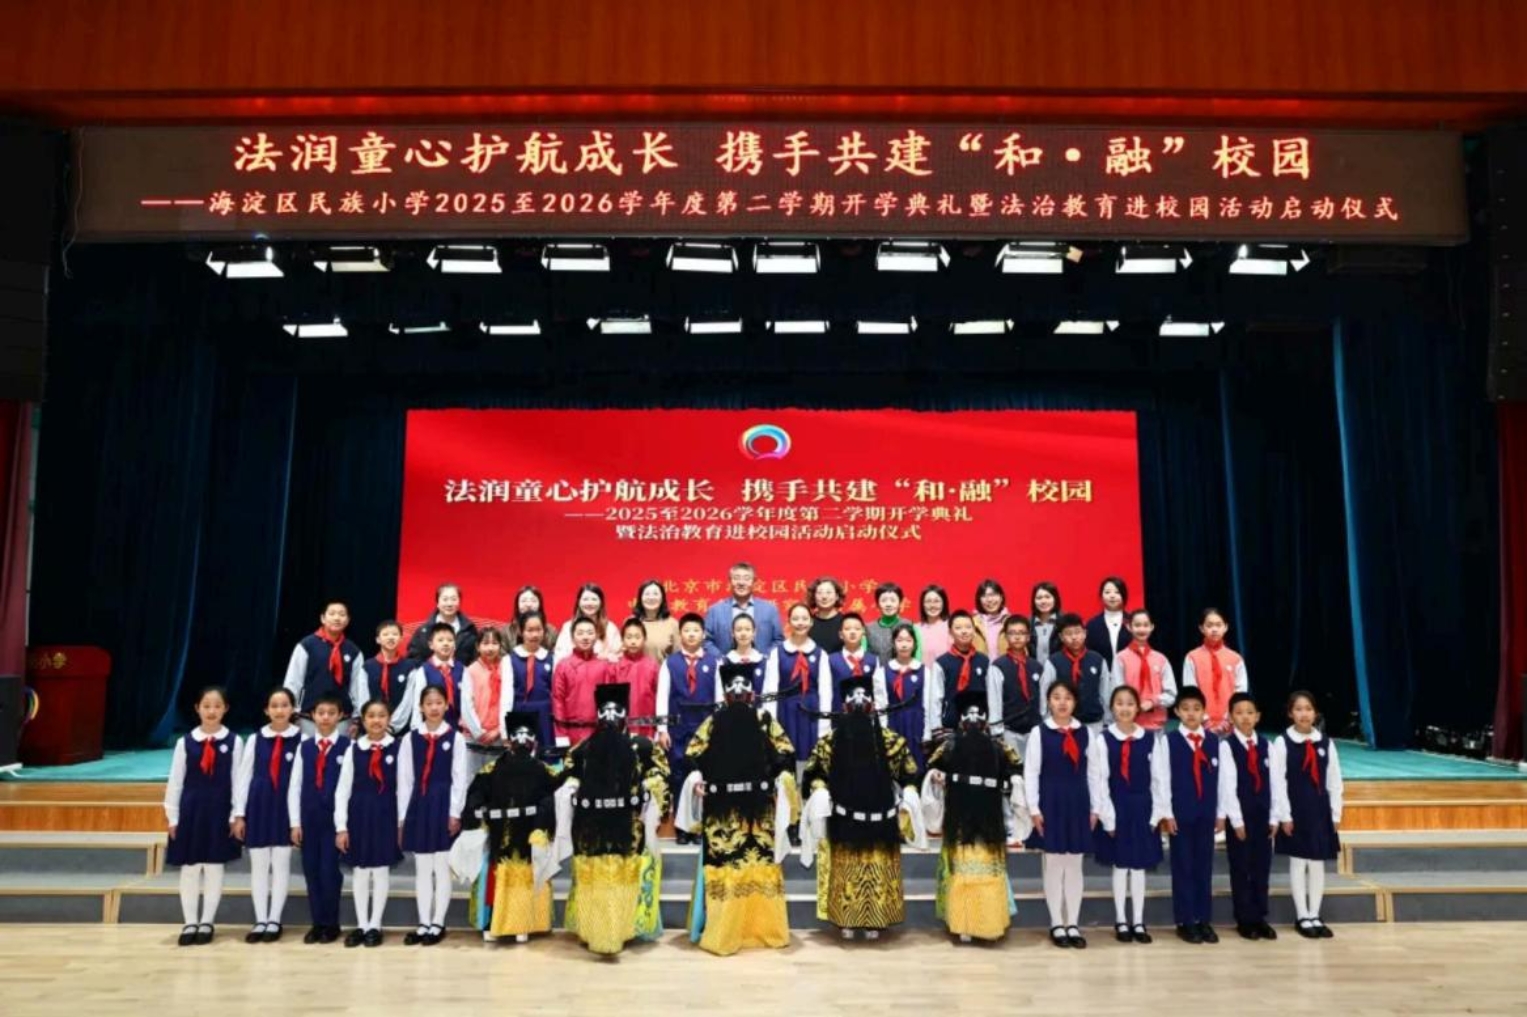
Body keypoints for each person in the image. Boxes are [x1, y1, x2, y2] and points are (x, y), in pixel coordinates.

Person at [676, 662, 797, 956]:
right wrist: (696, 776)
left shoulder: (764, 719)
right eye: (733, 687)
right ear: (726, 694)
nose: (739, 691)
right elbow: (691, 755)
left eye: (744, 686)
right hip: (722, 813)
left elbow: (786, 752)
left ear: (752, 692)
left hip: (759, 811)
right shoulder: (713, 722)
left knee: (759, 867)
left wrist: (781, 776)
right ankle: (725, 931)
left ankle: (762, 929)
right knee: (726, 869)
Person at [800, 675, 923, 940]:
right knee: (848, 872)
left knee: (877, 872)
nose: (859, 701)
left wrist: (911, 789)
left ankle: (876, 922)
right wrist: (819, 788)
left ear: (873, 704)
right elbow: (813, 773)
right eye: (852, 697)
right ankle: (845, 920)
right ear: (844, 705)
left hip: (881, 821)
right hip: (845, 822)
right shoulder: (829, 741)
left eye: (865, 696)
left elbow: (909, 772)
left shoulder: (891, 741)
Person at [556, 683, 671, 955]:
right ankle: (593, 927)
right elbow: (568, 775)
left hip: (629, 824)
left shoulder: (643, 746)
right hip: (592, 826)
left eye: (616, 710)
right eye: (604, 711)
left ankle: (627, 927)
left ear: (625, 714)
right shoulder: (583, 748)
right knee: (595, 874)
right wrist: (571, 787)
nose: (610, 716)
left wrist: (649, 789)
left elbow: (661, 774)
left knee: (625, 873)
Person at [922, 688, 1026, 943]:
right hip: (960, 816)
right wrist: (935, 776)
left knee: (987, 873)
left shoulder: (998, 747)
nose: (973, 719)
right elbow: (931, 765)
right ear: (960, 720)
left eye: (979, 714)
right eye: (968, 714)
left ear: (986, 719)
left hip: (989, 818)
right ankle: (963, 924)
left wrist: (1013, 779)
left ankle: (988, 924)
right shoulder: (949, 746)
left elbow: (1016, 766)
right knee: (963, 874)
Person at [1154, 686, 1243, 944]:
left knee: (1204, 867)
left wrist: (1222, 813)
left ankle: (1203, 919)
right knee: (1183, 866)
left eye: (1196, 709)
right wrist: (1166, 813)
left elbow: (1224, 782)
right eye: (1186, 709)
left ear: (1204, 712)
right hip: (1181, 814)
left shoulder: (1215, 742)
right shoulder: (1168, 742)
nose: (1191, 714)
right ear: (1177, 712)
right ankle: (1185, 920)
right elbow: (1162, 779)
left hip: (1206, 813)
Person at [460, 710, 558, 943]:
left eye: (527, 735)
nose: (522, 740)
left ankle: (524, 922)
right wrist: (477, 814)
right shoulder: (491, 770)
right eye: (517, 735)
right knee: (495, 874)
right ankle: (492, 921)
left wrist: (541, 827)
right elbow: (475, 796)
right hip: (498, 837)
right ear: (509, 740)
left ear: (534, 741)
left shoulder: (543, 771)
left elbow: (549, 800)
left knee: (526, 873)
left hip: (529, 838)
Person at [1024, 679, 1103, 949]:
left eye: (1068, 697)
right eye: (1056, 697)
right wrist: (1034, 808)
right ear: (1048, 701)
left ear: (1075, 702)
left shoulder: (1086, 734)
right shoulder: (1039, 733)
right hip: (1051, 802)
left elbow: (1094, 773)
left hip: (1078, 802)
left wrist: (1096, 808)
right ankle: (1057, 923)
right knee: (1055, 863)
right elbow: (1031, 772)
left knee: (1074, 865)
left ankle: (1074, 923)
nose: (1062, 702)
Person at [164, 686, 242, 946]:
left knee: (214, 867)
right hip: (191, 811)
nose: (211, 711)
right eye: (206, 706)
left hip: (219, 811)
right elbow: (176, 782)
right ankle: (190, 922)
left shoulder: (234, 741)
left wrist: (236, 814)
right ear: (197, 708)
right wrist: (173, 817)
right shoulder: (185, 742)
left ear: (225, 709)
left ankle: (207, 921)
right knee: (190, 868)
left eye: (217, 706)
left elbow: (238, 781)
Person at [1091, 685, 1165, 945]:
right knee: (1121, 865)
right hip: (1117, 806)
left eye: (1130, 703)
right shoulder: (1103, 739)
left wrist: (1157, 814)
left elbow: (1159, 779)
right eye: (1119, 703)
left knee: (1139, 866)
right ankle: (1121, 919)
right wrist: (1107, 817)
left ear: (1138, 708)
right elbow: (1100, 780)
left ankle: (1139, 920)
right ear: (1112, 707)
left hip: (1142, 807)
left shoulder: (1150, 739)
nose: (1125, 708)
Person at [397, 684, 471, 946]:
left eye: (439, 702)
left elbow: (460, 779)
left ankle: (438, 922)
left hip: (442, 804)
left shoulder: (455, 738)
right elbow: (405, 779)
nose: (434, 707)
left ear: (447, 705)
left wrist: (454, 812)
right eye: (429, 703)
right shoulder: (410, 739)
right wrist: (403, 817)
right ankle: (423, 922)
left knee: (441, 867)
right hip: (419, 804)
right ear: (421, 707)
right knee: (422, 868)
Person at [231, 686, 302, 943]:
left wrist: (296, 820)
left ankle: (274, 919)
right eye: (274, 706)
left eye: (284, 705)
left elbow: (300, 783)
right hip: (259, 806)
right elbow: (243, 778)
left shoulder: (302, 740)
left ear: (293, 709)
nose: (279, 710)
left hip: (285, 807)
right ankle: (260, 919)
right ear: (266, 710)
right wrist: (239, 814)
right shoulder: (255, 739)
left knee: (281, 864)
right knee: (259, 866)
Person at [1272, 690, 1344, 940]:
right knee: (1298, 861)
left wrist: (1335, 813)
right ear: (1290, 713)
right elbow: (1278, 781)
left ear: (1315, 713)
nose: (1304, 714)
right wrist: (1284, 815)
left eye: (1308, 709)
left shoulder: (1325, 742)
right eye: (1299, 709)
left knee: (1317, 863)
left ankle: (1315, 913)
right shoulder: (1283, 742)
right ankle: (1302, 915)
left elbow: (1334, 780)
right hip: (1296, 810)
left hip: (1320, 811)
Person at [335, 699, 403, 948]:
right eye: (371, 716)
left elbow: (404, 787)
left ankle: (376, 924)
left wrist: (401, 823)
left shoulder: (398, 749)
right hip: (359, 815)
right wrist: (341, 826)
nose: (376, 720)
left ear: (389, 719)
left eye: (381, 715)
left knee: (381, 870)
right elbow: (342, 790)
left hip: (386, 814)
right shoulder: (354, 749)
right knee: (361, 871)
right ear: (363, 721)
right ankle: (362, 924)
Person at [657, 612, 721, 845]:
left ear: (703, 634)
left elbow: (720, 698)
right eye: (687, 630)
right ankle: (681, 827)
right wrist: (662, 729)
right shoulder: (670, 663)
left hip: (704, 728)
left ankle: (699, 825)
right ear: (680, 634)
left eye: (696, 630)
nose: (691, 634)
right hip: (678, 728)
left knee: (702, 776)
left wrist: (717, 729)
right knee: (679, 776)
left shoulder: (714, 663)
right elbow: (662, 696)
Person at [294, 692, 348, 945]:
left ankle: (331, 923)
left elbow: (348, 788)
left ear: (340, 716)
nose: (326, 717)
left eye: (331, 713)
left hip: (333, 821)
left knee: (329, 872)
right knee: (312, 871)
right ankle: (317, 923)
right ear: (312, 716)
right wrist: (295, 822)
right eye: (321, 713)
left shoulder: (347, 747)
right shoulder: (304, 748)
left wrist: (343, 825)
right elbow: (295, 787)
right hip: (309, 819)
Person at [1225, 691, 1277, 941]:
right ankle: (1244, 918)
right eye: (1239, 713)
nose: (1245, 717)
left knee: (1261, 866)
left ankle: (1260, 916)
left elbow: (1276, 784)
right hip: (1241, 818)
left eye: (1249, 713)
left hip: (1263, 815)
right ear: (1230, 717)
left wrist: (1275, 817)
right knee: (1241, 867)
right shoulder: (1227, 746)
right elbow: (1228, 786)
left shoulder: (1267, 746)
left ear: (1258, 716)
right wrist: (1236, 820)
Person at [283, 601, 368, 727]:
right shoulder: (306, 645)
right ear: (322, 618)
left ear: (347, 620)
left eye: (342, 614)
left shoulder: (354, 651)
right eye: (332, 614)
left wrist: (357, 718)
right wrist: (290, 711)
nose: (337, 618)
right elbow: (293, 680)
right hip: (307, 717)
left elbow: (358, 688)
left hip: (342, 718)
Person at [763, 602, 827, 765]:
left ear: (811, 622)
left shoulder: (820, 654)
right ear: (789, 622)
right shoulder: (777, 653)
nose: (800, 623)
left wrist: (824, 724)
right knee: (786, 758)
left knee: (810, 758)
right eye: (796, 618)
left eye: (805, 619)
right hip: (785, 711)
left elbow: (826, 692)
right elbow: (770, 691)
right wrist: (771, 724)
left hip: (811, 712)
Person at [1181, 607, 1250, 736]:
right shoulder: (1192, 657)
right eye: (1209, 625)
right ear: (1201, 628)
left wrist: (1228, 719)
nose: (1214, 629)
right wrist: (1205, 720)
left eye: (1218, 625)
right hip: (1200, 725)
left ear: (1226, 627)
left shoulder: (1236, 659)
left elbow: (1241, 692)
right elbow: (1190, 691)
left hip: (1230, 725)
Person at [929, 610, 998, 738]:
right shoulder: (941, 663)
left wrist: (994, 724)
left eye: (968, 627)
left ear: (974, 630)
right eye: (958, 628)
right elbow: (935, 699)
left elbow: (992, 696)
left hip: (981, 726)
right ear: (950, 632)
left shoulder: (984, 661)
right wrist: (936, 728)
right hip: (951, 727)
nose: (964, 631)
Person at [406, 622, 478, 736]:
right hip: (430, 730)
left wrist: (476, 731)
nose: (445, 644)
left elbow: (467, 704)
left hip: (457, 730)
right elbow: (417, 704)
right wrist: (417, 731)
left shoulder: (462, 670)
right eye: (440, 640)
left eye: (450, 640)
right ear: (431, 645)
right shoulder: (423, 671)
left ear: (455, 644)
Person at [1110, 608, 1177, 731]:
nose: (1142, 629)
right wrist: (1132, 705)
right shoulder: (1120, 658)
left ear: (1152, 627)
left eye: (1146, 625)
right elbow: (1116, 692)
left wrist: (1153, 702)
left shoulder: (1161, 659)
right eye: (1137, 625)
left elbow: (1171, 694)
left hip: (1156, 725)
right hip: (1129, 724)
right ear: (1129, 627)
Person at [553, 617, 615, 749]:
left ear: (596, 636)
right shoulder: (563, 666)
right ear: (572, 637)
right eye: (580, 633)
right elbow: (558, 701)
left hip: (600, 732)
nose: (585, 637)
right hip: (572, 733)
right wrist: (561, 735)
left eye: (590, 633)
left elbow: (610, 702)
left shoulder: (605, 666)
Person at [1041, 613, 1109, 732]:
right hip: (1062, 723)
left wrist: (1107, 721)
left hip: (1093, 722)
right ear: (1061, 637)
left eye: (1077, 632)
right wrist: (1047, 721)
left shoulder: (1098, 660)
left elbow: (1105, 692)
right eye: (1068, 634)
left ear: (1085, 633)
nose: (1073, 637)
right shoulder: (1053, 662)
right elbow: (1044, 693)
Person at [703, 561, 784, 654]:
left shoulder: (769, 610)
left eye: (746, 578)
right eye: (736, 578)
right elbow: (706, 641)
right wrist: (721, 659)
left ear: (754, 582)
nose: (741, 583)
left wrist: (764, 658)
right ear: (730, 581)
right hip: (724, 662)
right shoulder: (715, 611)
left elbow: (778, 640)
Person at [992, 614, 1043, 759]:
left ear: (1028, 637)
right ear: (1006, 637)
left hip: (1034, 728)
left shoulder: (1037, 666)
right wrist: (996, 731)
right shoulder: (998, 666)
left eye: (1021, 633)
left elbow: (1043, 701)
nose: (1017, 637)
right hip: (1009, 729)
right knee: (1012, 768)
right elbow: (994, 701)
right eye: (1012, 633)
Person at [880, 623, 930, 771]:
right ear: (893, 643)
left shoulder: (924, 671)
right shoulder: (883, 671)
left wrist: (927, 733)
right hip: (893, 723)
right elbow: (881, 706)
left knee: (917, 766)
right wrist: (883, 732)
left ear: (914, 644)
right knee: (894, 767)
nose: (904, 645)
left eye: (908, 640)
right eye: (899, 640)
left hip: (916, 724)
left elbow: (927, 704)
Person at [509, 610, 556, 754]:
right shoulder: (510, 659)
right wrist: (506, 730)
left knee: (546, 757)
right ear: (521, 631)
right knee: (522, 758)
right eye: (529, 630)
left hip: (545, 716)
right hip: (519, 714)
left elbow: (555, 693)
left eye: (538, 630)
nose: (534, 635)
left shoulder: (551, 658)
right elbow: (506, 697)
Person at [464, 627, 512, 767]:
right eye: (485, 643)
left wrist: (498, 730)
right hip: (474, 735)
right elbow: (466, 705)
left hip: (500, 735)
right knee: (473, 777)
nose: (490, 648)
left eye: (494, 643)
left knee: (498, 777)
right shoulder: (470, 671)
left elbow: (510, 702)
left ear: (500, 646)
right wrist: (479, 732)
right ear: (477, 647)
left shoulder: (507, 668)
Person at [406, 582, 481, 665]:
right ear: (437, 603)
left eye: (453, 599)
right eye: (445, 599)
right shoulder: (423, 631)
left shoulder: (469, 630)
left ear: (459, 602)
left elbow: (476, 658)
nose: (449, 604)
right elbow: (413, 659)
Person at [363, 620, 417, 734]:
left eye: (395, 634)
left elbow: (408, 701)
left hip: (399, 729)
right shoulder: (367, 666)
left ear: (401, 638)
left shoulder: (409, 667)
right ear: (378, 639)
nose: (391, 637)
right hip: (371, 728)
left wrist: (393, 726)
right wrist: (372, 721)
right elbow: (363, 697)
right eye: (386, 634)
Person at [822, 612, 880, 714]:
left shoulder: (873, 660)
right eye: (847, 629)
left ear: (863, 632)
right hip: (838, 716)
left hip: (867, 718)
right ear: (841, 634)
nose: (852, 632)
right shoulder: (830, 660)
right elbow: (825, 691)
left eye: (857, 629)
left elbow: (878, 692)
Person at [613, 618, 660, 738]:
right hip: (622, 726)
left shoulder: (653, 666)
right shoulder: (615, 666)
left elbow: (659, 698)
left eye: (637, 637)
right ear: (622, 639)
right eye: (629, 637)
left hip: (647, 725)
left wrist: (659, 728)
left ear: (644, 639)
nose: (633, 642)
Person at [554, 583, 622, 663]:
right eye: (585, 599)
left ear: (601, 602)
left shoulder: (610, 628)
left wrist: (606, 658)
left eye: (594, 599)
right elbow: (560, 656)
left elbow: (619, 656)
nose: (589, 603)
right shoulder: (568, 627)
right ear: (578, 602)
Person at [865, 582, 921, 661]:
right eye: (884, 600)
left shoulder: (910, 625)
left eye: (893, 600)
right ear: (877, 604)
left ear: (900, 603)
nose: (888, 604)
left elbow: (917, 654)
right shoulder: (868, 629)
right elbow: (864, 656)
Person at [1084, 576, 1131, 668]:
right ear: (1101, 596)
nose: (1112, 596)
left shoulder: (1133, 622)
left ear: (1124, 595)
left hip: (1130, 672)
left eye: (1117, 592)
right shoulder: (1092, 625)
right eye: (1107, 592)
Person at [632, 579, 678, 663]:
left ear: (662, 598)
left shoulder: (673, 624)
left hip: (661, 671)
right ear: (640, 598)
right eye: (647, 594)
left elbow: (679, 658)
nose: (651, 597)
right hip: (634, 671)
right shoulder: (631, 622)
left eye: (655, 594)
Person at [723, 612, 768, 696]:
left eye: (747, 629)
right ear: (732, 633)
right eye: (739, 630)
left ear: (754, 632)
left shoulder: (764, 662)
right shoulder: (725, 662)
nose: (743, 634)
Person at [807, 575, 847, 654]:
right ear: (814, 597)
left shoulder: (845, 622)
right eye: (820, 593)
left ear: (837, 596)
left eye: (829, 592)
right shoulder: (807, 622)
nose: (824, 597)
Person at [916, 584, 952, 667]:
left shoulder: (951, 626)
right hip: (923, 674)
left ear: (944, 603)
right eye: (928, 601)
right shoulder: (916, 629)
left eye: (937, 601)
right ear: (922, 604)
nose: (932, 605)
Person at [972, 578, 1010, 656]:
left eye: (993, 595)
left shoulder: (1011, 622)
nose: (989, 600)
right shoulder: (972, 623)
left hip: (1005, 664)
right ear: (979, 600)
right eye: (984, 596)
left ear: (1001, 597)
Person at [1029, 582, 1063, 661]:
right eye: (1039, 598)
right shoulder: (1028, 624)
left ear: (1055, 599)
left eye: (1047, 597)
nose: (1043, 601)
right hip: (1035, 668)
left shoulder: (1064, 622)